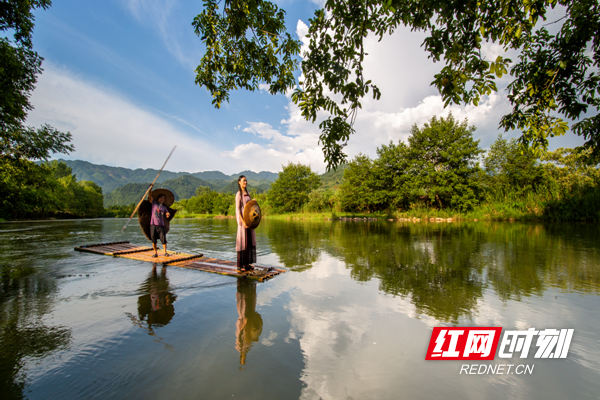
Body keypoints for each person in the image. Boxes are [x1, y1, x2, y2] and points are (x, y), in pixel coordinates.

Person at [235, 175, 256, 272]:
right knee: (242, 243)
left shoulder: (247, 193)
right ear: (239, 182)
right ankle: (240, 266)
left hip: (249, 221)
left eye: (246, 181)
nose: (245, 182)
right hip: (243, 222)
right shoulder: (238, 194)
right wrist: (243, 222)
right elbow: (238, 210)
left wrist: (253, 202)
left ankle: (247, 264)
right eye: (243, 181)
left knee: (248, 243)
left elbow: (248, 206)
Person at [149, 188, 170, 258]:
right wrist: (150, 189)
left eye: (163, 198)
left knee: (163, 239)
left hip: (161, 225)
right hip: (153, 224)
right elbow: (149, 197)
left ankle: (165, 252)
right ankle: (155, 253)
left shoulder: (164, 207)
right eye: (160, 198)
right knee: (153, 238)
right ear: (158, 199)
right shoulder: (154, 204)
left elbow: (167, 212)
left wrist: (167, 214)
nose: (162, 199)